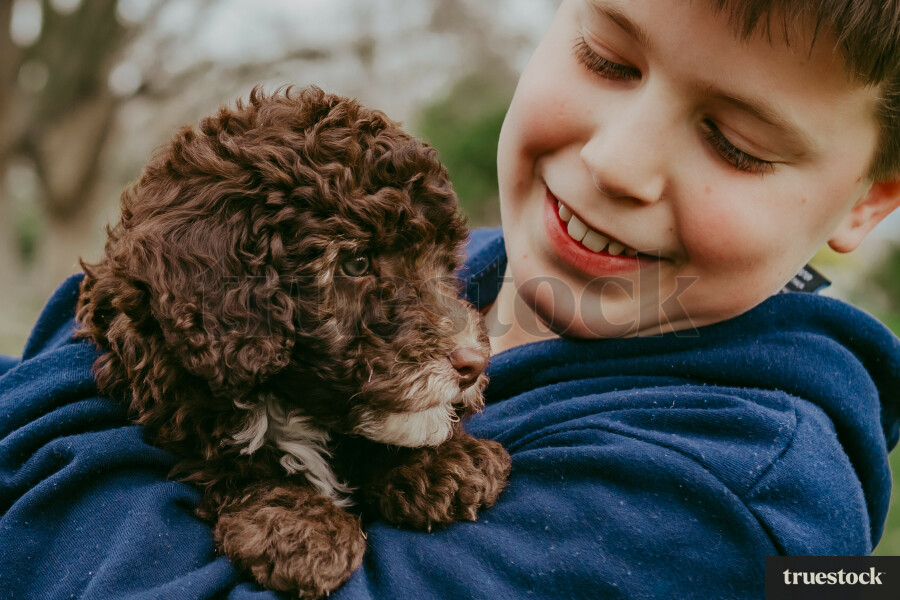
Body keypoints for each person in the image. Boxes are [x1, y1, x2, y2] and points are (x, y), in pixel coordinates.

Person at [2, 0, 899, 598]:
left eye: (736, 144)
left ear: (869, 199)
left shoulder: (723, 496)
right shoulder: (433, 256)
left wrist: (40, 423)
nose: (614, 162)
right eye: (606, 58)